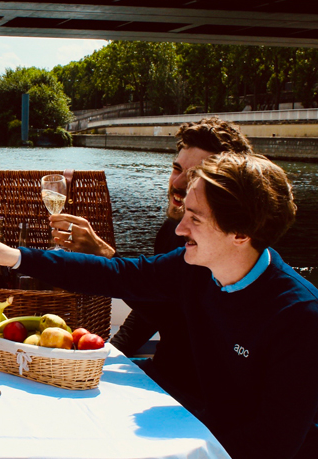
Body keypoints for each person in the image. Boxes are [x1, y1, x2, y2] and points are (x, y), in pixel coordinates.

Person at [0, 152, 318, 459]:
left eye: (195, 218)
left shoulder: (299, 316)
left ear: (240, 233)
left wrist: (160, 448)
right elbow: (118, 274)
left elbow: (274, 443)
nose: (179, 228)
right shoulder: (197, 269)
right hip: (206, 429)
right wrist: (16, 257)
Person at [49, 116, 253, 409]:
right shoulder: (172, 231)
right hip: (162, 375)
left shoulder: (231, 252)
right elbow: (155, 304)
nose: (179, 184)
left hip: (191, 398)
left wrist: (105, 256)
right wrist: (112, 354)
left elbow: (183, 321)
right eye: (177, 169)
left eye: (196, 175)